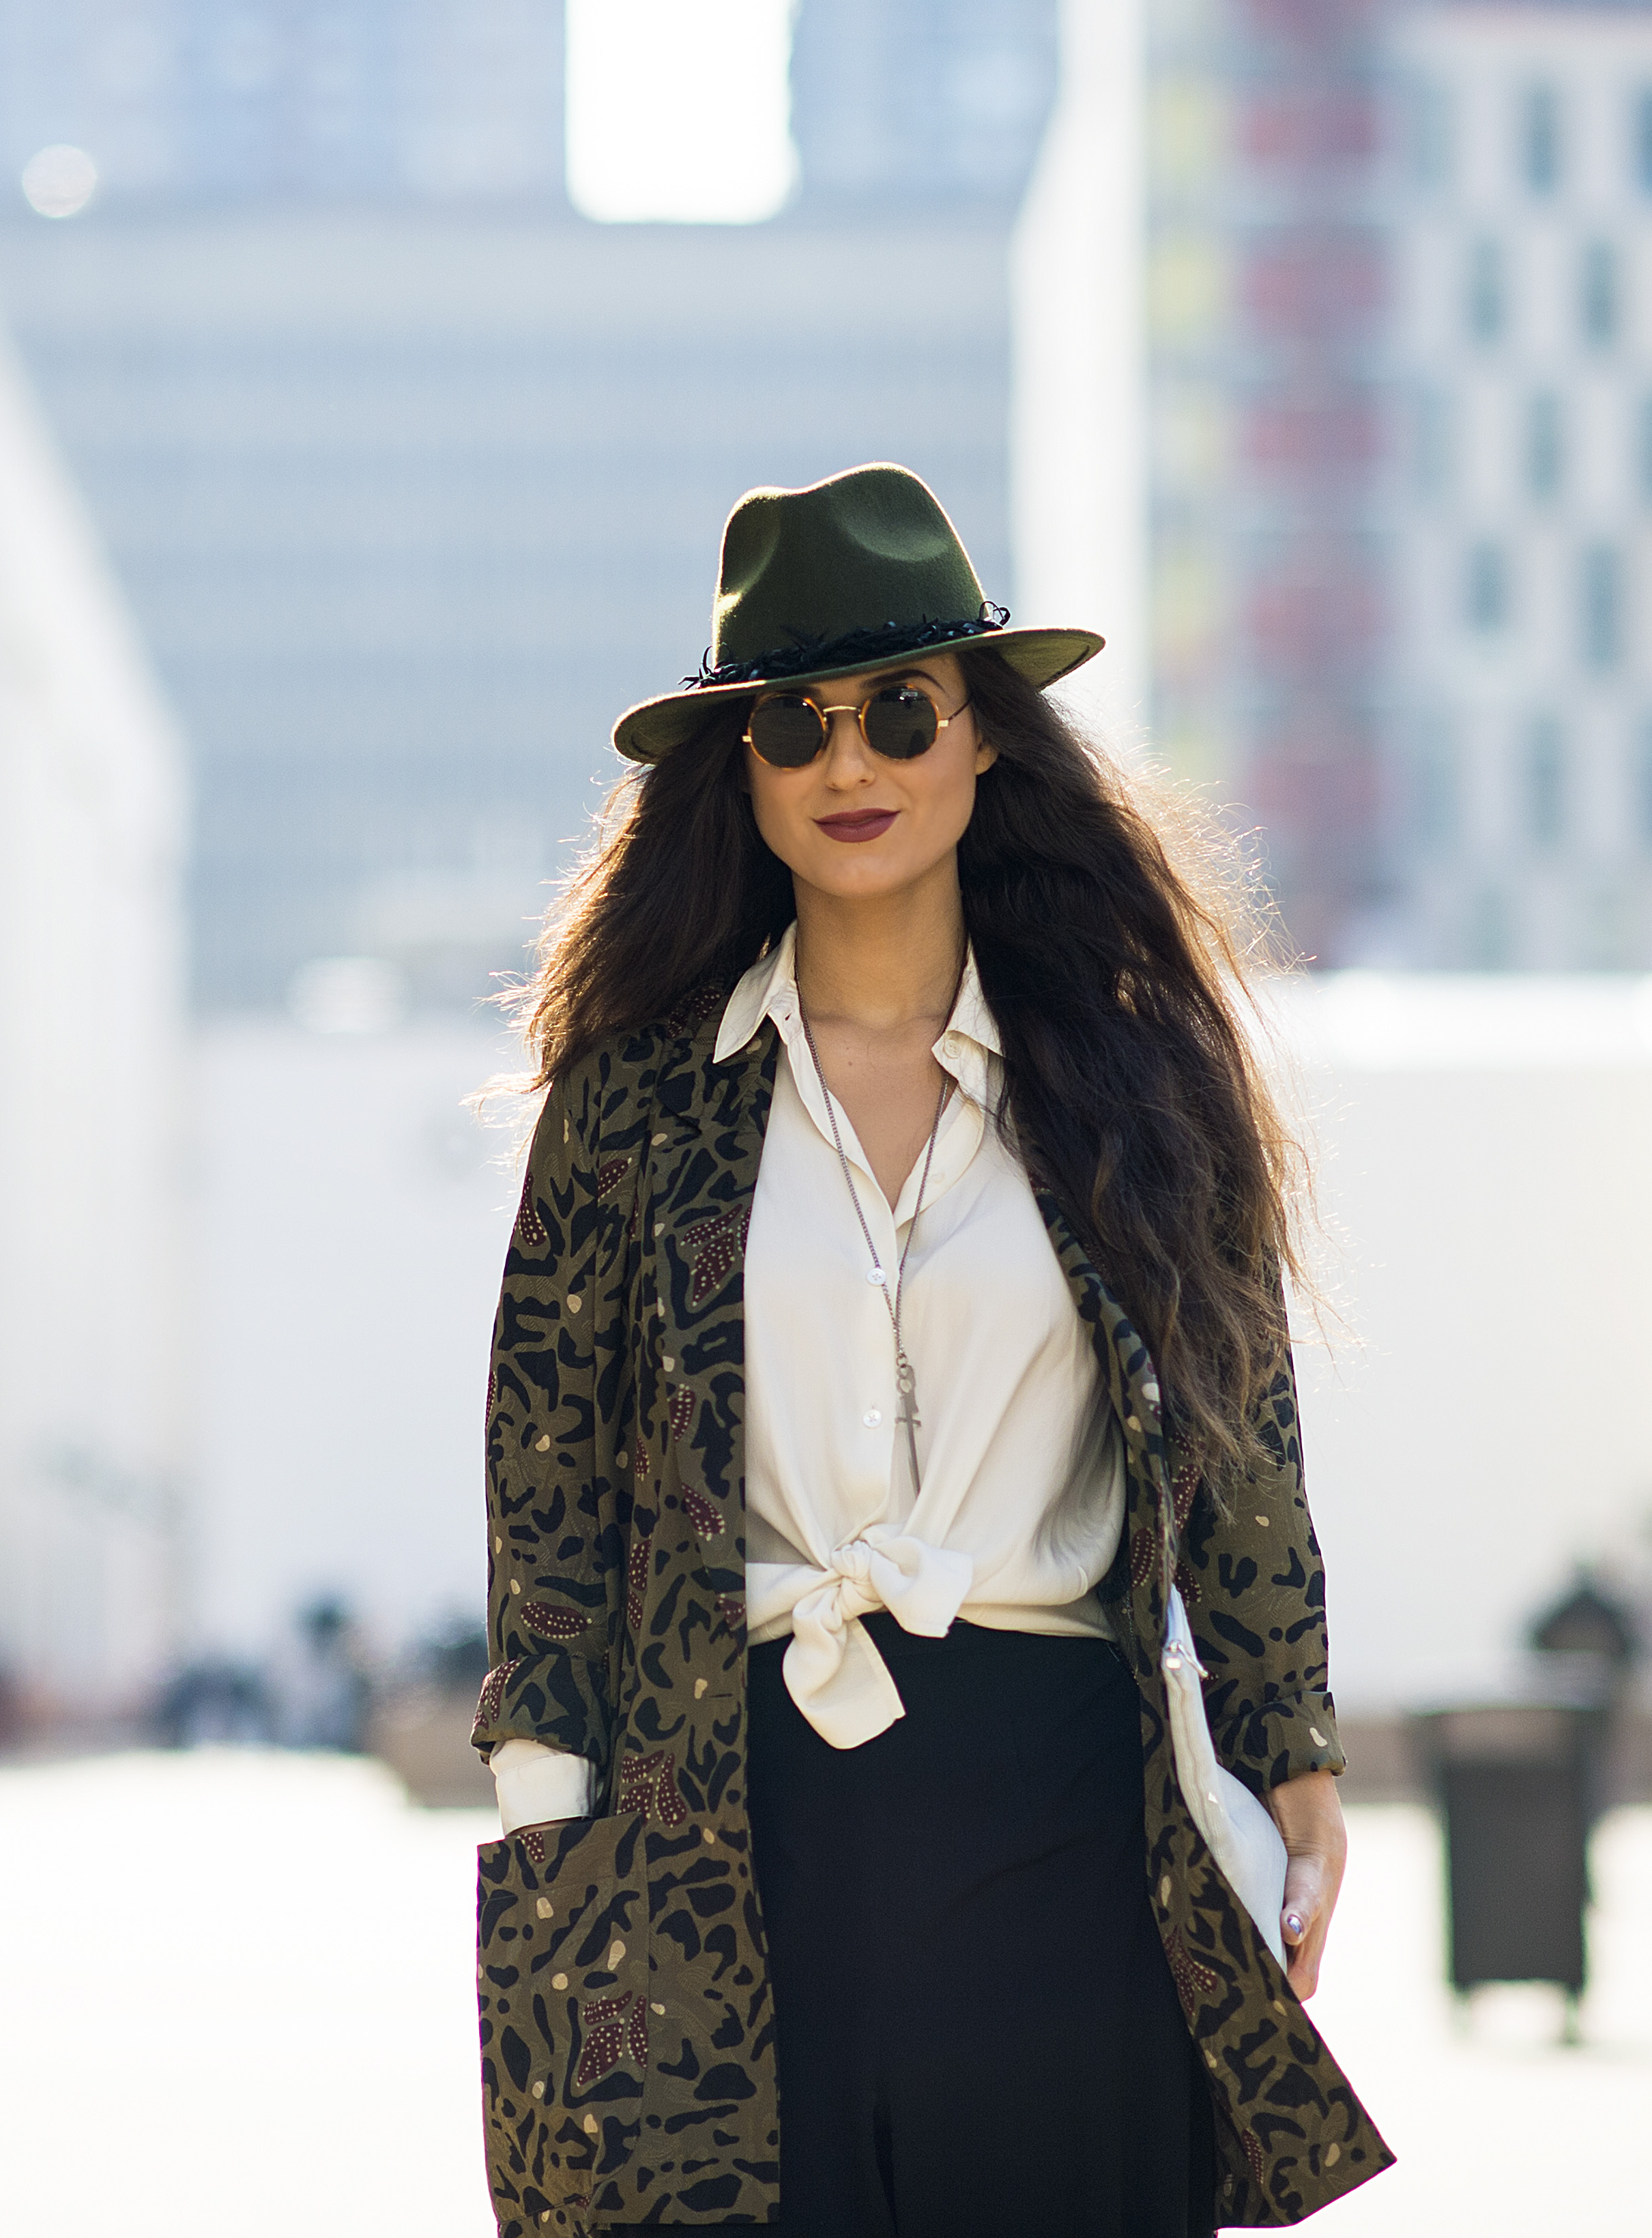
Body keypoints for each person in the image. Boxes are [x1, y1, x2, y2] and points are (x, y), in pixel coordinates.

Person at [472, 464, 1390, 2235]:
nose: (853, 766)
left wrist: (1297, 1755)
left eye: (903, 712)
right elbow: (551, 1488)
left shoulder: (1130, 1077)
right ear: (739, 770)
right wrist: (551, 1839)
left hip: (1072, 1816)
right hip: (726, 1837)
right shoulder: (633, 1109)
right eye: (797, 725)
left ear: (984, 744)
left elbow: (1242, 1436)